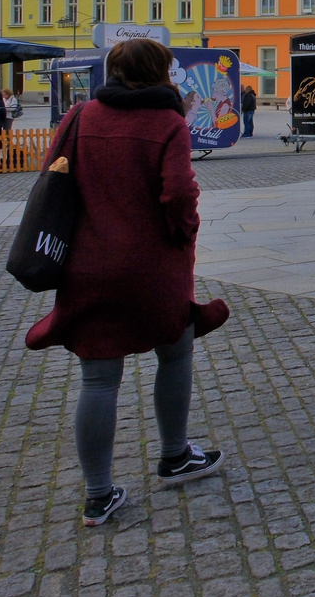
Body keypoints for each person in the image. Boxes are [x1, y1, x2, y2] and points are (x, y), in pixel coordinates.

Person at [25, 38, 229, 527]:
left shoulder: (81, 116)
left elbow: (56, 176)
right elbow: (179, 191)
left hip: (88, 264)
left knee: (98, 378)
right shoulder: (168, 121)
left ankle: (99, 495)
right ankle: (175, 454)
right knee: (175, 350)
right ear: (162, 73)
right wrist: (184, 230)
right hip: (151, 265)